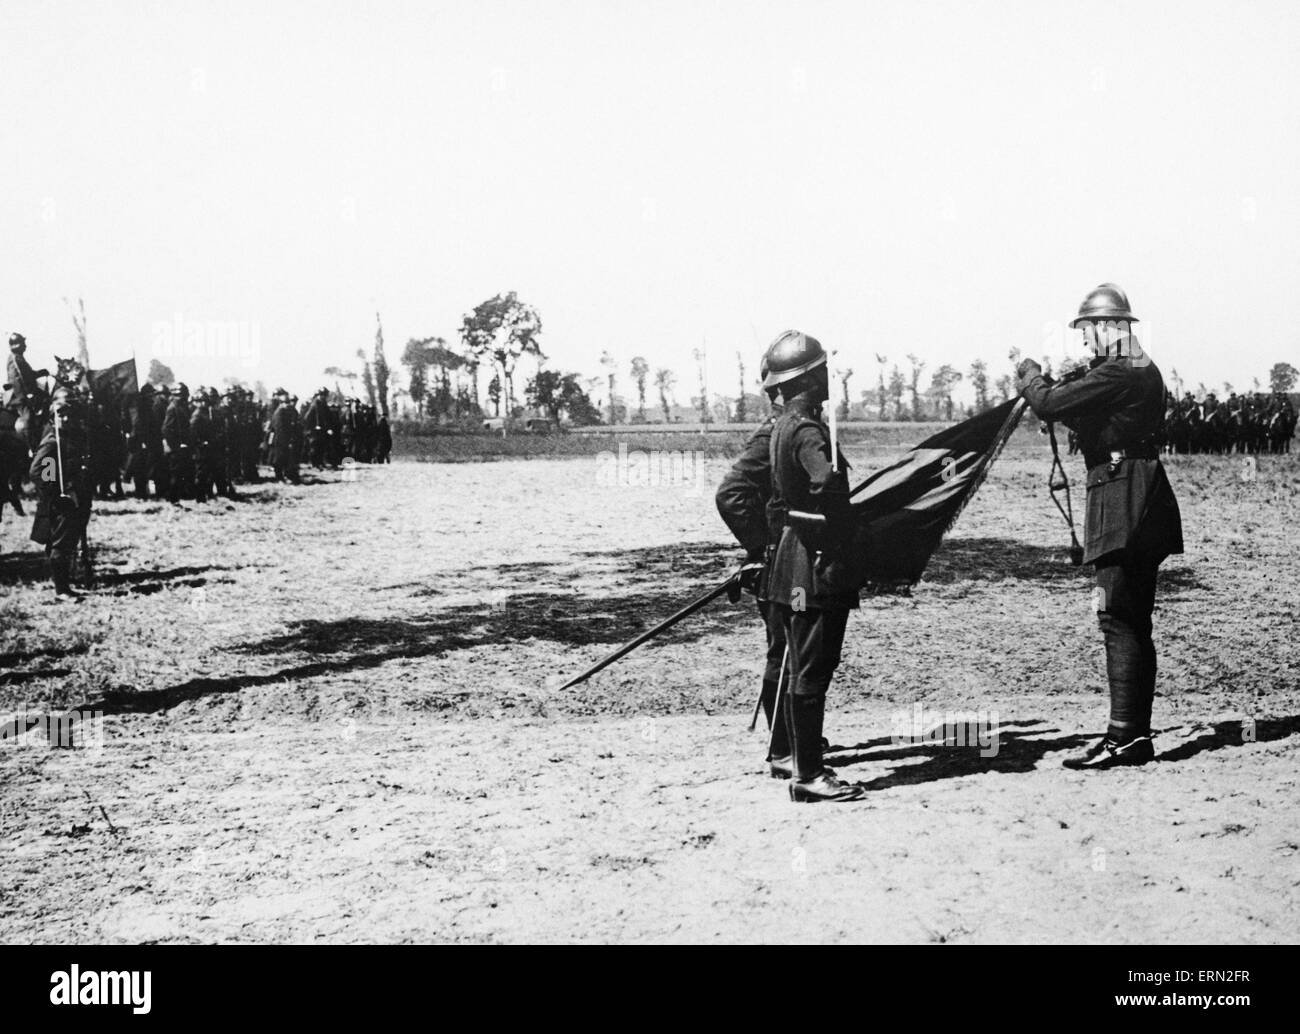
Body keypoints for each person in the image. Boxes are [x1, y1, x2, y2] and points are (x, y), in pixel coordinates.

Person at [1016, 283, 1184, 769]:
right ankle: (1127, 734)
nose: (1086, 342)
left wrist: (1029, 374)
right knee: (1128, 616)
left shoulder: (1123, 369)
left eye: (1088, 331)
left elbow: (1047, 404)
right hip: (1135, 492)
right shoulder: (1133, 368)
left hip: (1123, 495)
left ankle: (1127, 739)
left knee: (1118, 617)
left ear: (1109, 326)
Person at [761, 330, 866, 803]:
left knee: (798, 663)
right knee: (813, 668)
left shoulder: (782, 425)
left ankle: (797, 762)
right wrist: (840, 503)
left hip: (789, 558)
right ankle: (809, 775)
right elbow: (825, 483)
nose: (829, 378)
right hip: (816, 562)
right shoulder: (807, 431)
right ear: (810, 377)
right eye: (822, 370)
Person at [29, 387, 93, 598]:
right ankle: (62, 590)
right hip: (62, 501)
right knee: (60, 545)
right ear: (52, 418)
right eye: (60, 415)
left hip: (76, 498)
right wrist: (58, 495)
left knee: (67, 543)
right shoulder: (52, 444)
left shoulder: (70, 439)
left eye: (68, 414)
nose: (65, 418)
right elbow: (41, 473)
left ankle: (66, 581)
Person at [5, 332, 49, 451]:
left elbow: (28, 375)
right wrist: (28, 395)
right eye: (22, 343)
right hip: (20, 396)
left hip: (25, 393)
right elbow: (18, 378)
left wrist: (42, 372)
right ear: (15, 345)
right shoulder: (14, 359)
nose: (25, 346)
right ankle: (33, 448)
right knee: (28, 417)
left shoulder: (19, 357)